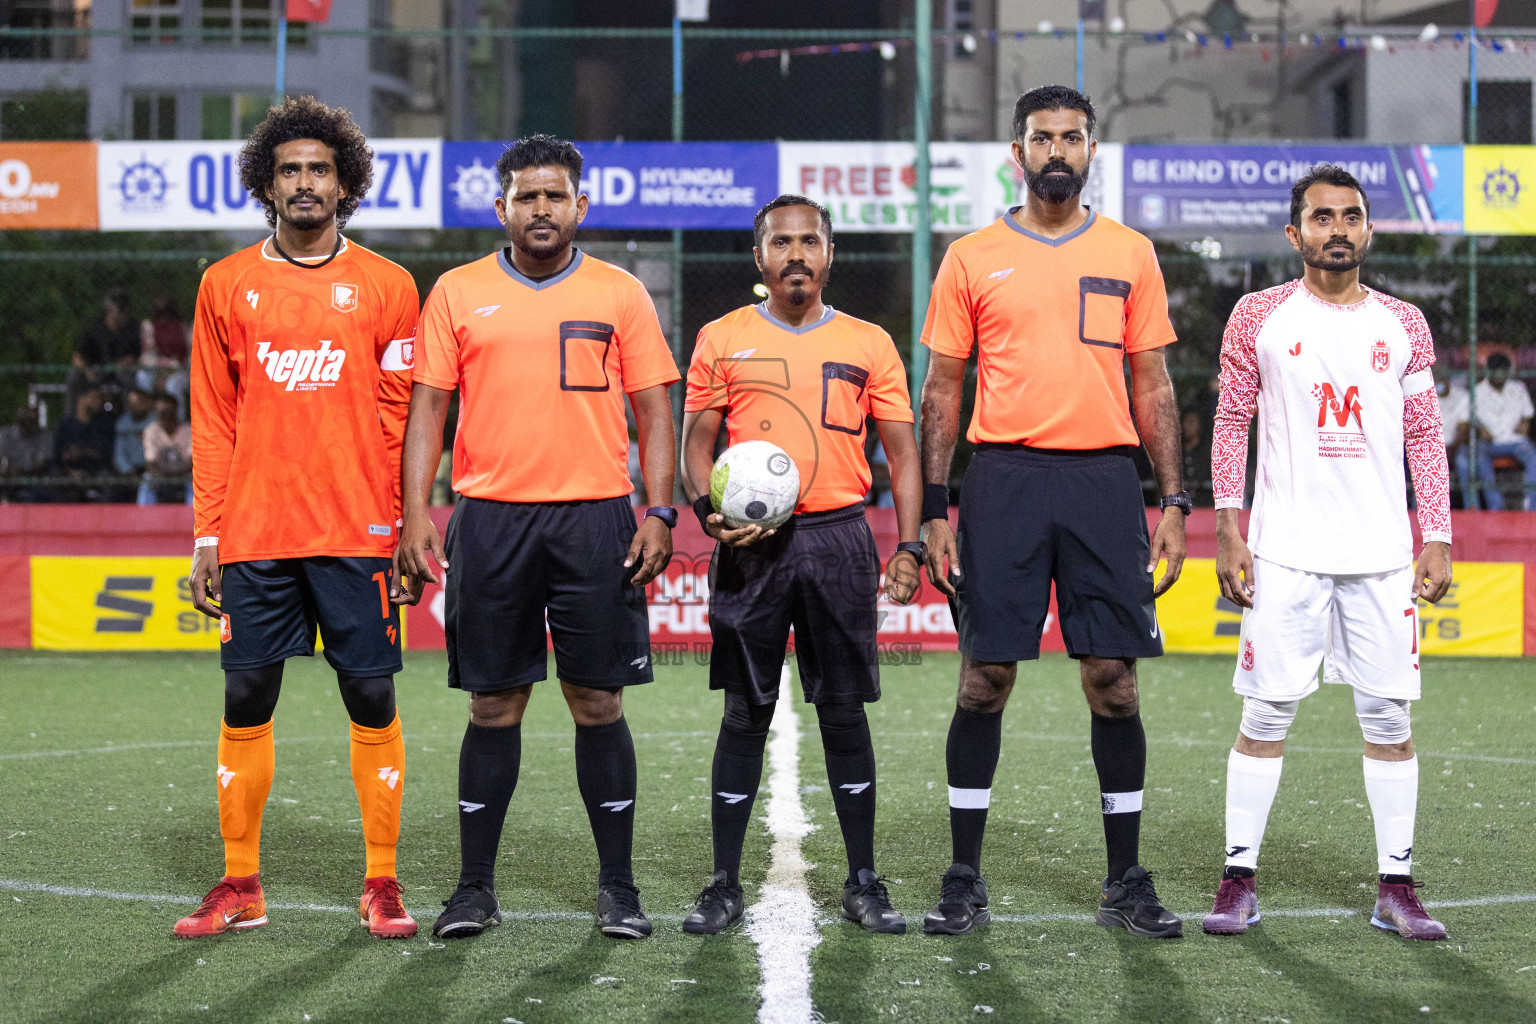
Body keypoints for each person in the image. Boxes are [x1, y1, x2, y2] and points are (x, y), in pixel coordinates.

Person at [917, 85, 1188, 939]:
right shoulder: (971, 256)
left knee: (1113, 681)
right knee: (984, 678)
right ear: (1018, 153)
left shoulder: (1132, 253)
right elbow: (942, 389)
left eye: (1073, 138)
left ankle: (1125, 881)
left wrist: (1174, 501)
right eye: (1043, 139)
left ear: (1091, 151)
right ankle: (964, 875)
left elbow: (1153, 384)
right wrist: (933, 507)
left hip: (1106, 483)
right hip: (1003, 480)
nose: (1058, 151)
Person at [396, 134, 680, 942]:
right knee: (494, 703)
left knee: (598, 701)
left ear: (580, 207)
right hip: (490, 519)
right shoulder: (456, 291)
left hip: (596, 517)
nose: (542, 208)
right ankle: (474, 889)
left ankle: (618, 889)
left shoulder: (621, 293)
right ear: (503, 208)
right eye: (527, 196)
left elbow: (656, 412)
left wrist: (659, 511)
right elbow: (429, 411)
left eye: (556, 196)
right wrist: (418, 513)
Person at [176, 96, 421, 940]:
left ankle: (381, 883)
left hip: (357, 534)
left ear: (346, 183)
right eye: (290, 170)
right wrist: (208, 534)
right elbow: (212, 419)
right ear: (267, 184)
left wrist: (401, 530)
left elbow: (399, 424)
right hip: (255, 534)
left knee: (372, 693)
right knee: (246, 694)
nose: (306, 183)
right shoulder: (226, 285)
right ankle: (240, 883)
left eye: (321, 169)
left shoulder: (391, 288)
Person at [1203, 165, 1453, 941]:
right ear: (1295, 233)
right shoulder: (1258, 316)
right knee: (1266, 712)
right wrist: (1227, 523)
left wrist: (1437, 532)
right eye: (1321, 218)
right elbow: (1232, 421)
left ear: (1368, 230)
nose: (1337, 229)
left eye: (1350, 217)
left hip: (1381, 556)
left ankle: (1397, 886)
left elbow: (1423, 436)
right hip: (1283, 553)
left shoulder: (1404, 323)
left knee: (1388, 718)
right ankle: (1238, 880)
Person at [677, 195, 922, 936]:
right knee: (745, 712)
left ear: (828, 254)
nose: (795, 253)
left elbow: (903, 454)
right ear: (759, 257)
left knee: (843, 710)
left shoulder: (871, 342)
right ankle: (723, 883)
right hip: (750, 546)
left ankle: (862, 880)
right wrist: (703, 508)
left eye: (808, 241)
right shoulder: (721, 338)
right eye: (780, 242)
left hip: (839, 538)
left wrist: (909, 544)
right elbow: (696, 439)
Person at [1464, 353, 1535, 510]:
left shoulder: (1518, 388)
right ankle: (1496, 507)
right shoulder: (1477, 392)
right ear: (1489, 371)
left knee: (1533, 458)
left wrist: (1525, 423)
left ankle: (1532, 507)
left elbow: (1527, 414)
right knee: (1479, 458)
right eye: (1496, 371)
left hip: (1515, 440)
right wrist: (1479, 429)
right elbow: (1471, 419)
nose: (1499, 375)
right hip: (1490, 442)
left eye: (1503, 371)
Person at [70, 288, 139, 405]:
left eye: (126, 309)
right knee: (74, 376)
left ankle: (129, 418)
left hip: (120, 371)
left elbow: (136, 355)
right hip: (96, 371)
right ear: (109, 310)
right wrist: (87, 371)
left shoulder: (132, 329)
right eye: (120, 309)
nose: (124, 314)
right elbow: (77, 357)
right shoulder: (95, 328)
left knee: (128, 377)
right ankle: (72, 419)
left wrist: (127, 362)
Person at [54, 385, 116, 500]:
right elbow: (57, 455)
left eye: (100, 399)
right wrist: (70, 470)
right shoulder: (65, 426)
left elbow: (107, 453)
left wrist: (82, 452)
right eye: (94, 398)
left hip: (96, 472)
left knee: (112, 483)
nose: (98, 402)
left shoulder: (104, 425)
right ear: (80, 399)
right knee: (52, 481)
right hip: (69, 472)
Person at [141, 392, 192, 504]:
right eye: (161, 413)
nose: (164, 416)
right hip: (161, 474)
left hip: (184, 473)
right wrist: (165, 476)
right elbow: (150, 462)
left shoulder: (187, 429)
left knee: (195, 480)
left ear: (175, 411)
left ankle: (193, 515)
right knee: (146, 479)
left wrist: (177, 474)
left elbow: (192, 461)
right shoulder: (151, 431)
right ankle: (144, 515)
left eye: (168, 412)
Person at [0, 405, 53, 502]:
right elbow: (3, 464)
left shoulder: (44, 437)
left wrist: (21, 473)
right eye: (26, 419)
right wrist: (9, 471)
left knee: (38, 494)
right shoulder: (6, 435)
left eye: (33, 420)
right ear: (19, 419)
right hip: (7, 481)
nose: (29, 423)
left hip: (33, 483)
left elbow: (42, 465)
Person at [1435, 368, 1470, 506]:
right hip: (1432, 446)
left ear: (1448, 380)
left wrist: (1451, 449)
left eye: (1441, 379)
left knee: (1463, 462)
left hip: (1455, 446)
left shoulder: (1461, 396)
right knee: (1423, 465)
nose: (1439, 383)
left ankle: (1471, 507)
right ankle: (1422, 511)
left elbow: (1463, 429)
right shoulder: (1425, 397)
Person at [113, 388, 155, 476]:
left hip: (153, 469)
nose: (135, 406)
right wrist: (127, 469)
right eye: (132, 403)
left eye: (139, 402)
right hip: (130, 471)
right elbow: (119, 452)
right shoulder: (123, 422)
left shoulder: (155, 421)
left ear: (147, 403)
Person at [1180, 409, 1213, 506]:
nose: (1187, 426)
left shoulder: (1208, 452)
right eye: (1184, 421)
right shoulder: (1177, 451)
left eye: (1191, 422)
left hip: (1205, 506)